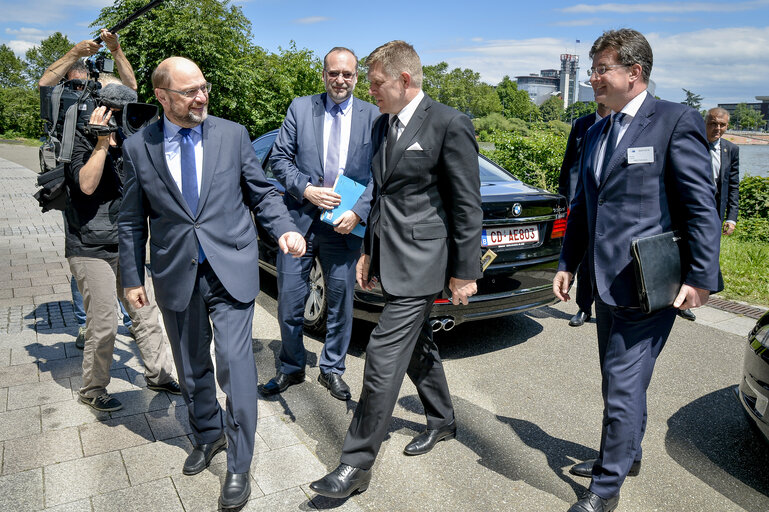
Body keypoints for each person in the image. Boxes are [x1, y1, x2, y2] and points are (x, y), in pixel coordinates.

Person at [118, 57, 305, 509]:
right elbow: (129, 220)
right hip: (175, 272)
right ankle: (207, 435)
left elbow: (261, 192)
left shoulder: (232, 134)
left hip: (231, 268)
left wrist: (283, 227)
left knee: (235, 364)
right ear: (162, 97)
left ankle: (240, 464)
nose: (201, 97)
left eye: (204, 87)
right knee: (190, 363)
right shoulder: (139, 147)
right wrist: (130, 276)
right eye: (189, 92)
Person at [552, 29, 721, 512]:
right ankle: (626, 453)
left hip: (651, 283)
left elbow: (701, 207)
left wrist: (700, 277)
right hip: (604, 283)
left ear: (635, 72)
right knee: (617, 378)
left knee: (624, 383)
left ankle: (605, 489)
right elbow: (585, 205)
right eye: (593, 69)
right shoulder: (597, 130)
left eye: (602, 68)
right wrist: (569, 263)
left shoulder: (675, 121)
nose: (594, 78)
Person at [310, 40, 483, 499]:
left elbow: (466, 204)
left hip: (425, 263)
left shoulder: (448, 123)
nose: (371, 91)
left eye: (376, 82)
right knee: (416, 344)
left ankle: (355, 464)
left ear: (404, 80)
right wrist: (368, 250)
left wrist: (466, 272)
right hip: (390, 257)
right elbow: (381, 194)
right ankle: (443, 418)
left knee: (383, 355)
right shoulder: (386, 125)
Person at [259, 47, 378, 401]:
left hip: (344, 226)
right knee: (289, 301)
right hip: (298, 219)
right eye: (333, 73)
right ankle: (292, 367)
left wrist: (358, 212)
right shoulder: (301, 107)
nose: (340, 80)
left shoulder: (373, 115)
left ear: (357, 76)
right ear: (323, 74)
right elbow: (279, 159)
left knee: (341, 303)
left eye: (347, 74)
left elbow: (380, 175)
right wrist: (307, 190)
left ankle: (332, 370)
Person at [65, 83, 180, 414]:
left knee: (145, 313)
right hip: (88, 245)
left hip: (125, 244)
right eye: (114, 112)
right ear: (101, 110)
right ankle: (93, 389)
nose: (120, 119)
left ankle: (159, 375)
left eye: (126, 112)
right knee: (104, 321)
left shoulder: (134, 143)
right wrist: (102, 142)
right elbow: (86, 185)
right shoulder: (82, 139)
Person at [557, 103, 610, 327]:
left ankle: (606, 307)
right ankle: (583, 308)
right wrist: (566, 197)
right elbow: (570, 163)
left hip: (607, 204)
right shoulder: (582, 124)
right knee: (584, 256)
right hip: (581, 202)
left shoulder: (623, 124)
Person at [38, 29, 137, 90]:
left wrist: (115, 48)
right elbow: (43, 85)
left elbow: (131, 87)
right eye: (76, 85)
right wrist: (75, 52)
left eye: (84, 83)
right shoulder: (60, 94)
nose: (81, 88)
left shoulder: (99, 86)